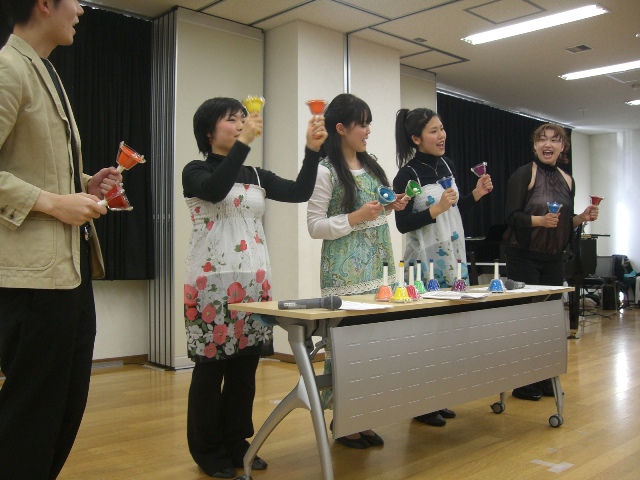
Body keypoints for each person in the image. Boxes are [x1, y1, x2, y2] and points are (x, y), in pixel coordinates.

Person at [0, 1, 122, 478]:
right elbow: (40, 191)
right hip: (32, 279)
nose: (79, 10)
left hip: (68, 272)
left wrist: (86, 185)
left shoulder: (45, 71)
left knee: (64, 407)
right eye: (72, 0)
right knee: (32, 415)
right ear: (44, 4)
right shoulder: (9, 68)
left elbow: (35, 168)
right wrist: (53, 203)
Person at [182, 97, 327, 478]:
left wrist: (312, 151)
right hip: (210, 285)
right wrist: (244, 143)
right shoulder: (195, 169)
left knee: (245, 368)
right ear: (209, 131)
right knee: (211, 368)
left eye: (242, 119)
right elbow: (215, 189)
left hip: (254, 281)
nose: (240, 124)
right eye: (231, 120)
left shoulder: (257, 175)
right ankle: (207, 449)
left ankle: (236, 441)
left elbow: (299, 191)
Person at [307, 93, 409, 448]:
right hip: (344, 271)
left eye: (368, 124)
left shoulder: (372, 165)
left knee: (375, 343)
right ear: (340, 128)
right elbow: (314, 226)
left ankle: (363, 415)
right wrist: (354, 217)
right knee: (346, 346)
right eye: (361, 124)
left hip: (379, 264)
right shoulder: (325, 171)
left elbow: (378, 207)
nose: (367, 131)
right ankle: (344, 420)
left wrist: (392, 205)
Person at [392, 107, 492, 426]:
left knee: (449, 332)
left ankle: (439, 396)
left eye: (442, 129)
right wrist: (435, 209)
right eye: (433, 131)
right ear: (416, 138)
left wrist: (475, 194)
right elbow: (403, 224)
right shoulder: (407, 175)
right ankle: (421, 404)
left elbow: (454, 211)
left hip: (453, 257)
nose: (441, 135)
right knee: (426, 334)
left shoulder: (446, 164)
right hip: (424, 262)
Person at [504, 123, 598, 401]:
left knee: (550, 323)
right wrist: (540, 221)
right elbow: (511, 217)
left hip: (554, 258)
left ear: (562, 147)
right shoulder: (524, 174)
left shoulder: (567, 180)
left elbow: (563, 224)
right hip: (524, 257)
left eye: (555, 140)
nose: (548, 144)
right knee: (528, 322)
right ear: (534, 146)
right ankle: (524, 383)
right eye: (542, 140)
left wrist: (582, 218)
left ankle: (545, 379)